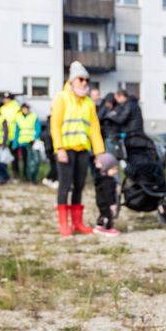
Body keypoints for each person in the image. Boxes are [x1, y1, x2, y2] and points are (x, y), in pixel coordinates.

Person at [50, 62, 105, 236]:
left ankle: (77, 223)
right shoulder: (62, 98)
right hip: (66, 150)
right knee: (64, 187)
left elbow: (94, 129)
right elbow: (55, 125)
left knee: (79, 186)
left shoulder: (88, 102)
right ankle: (63, 224)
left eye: (86, 80)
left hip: (82, 150)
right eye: (80, 79)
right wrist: (59, 148)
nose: (84, 83)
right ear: (72, 80)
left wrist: (99, 153)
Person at [92, 151, 120, 237]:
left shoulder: (101, 178)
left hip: (101, 201)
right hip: (106, 202)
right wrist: (112, 204)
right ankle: (107, 228)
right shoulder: (108, 182)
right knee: (108, 215)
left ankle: (99, 226)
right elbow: (109, 194)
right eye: (113, 169)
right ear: (106, 169)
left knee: (103, 214)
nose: (116, 171)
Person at [13, 102, 40, 182]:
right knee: (24, 160)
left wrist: (34, 138)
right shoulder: (18, 118)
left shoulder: (33, 116)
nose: (25, 110)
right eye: (24, 109)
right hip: (22, 142)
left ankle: (31, 176)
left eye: (27, 109)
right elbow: (17, 131)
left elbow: (38, 129)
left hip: (31, 142)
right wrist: (15, 142)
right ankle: (25, 176)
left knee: (32, 160)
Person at [0, 94, 22, 179]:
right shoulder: (2, 109)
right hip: (5, 136)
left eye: (7, 98)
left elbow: (19, 122)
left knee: (14, 157)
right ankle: (5, 175)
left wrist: (17, 136)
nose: (5, 100)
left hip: (14, 136)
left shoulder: (16, 107)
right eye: (4, 98)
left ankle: (16, 174)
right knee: (4, 156)